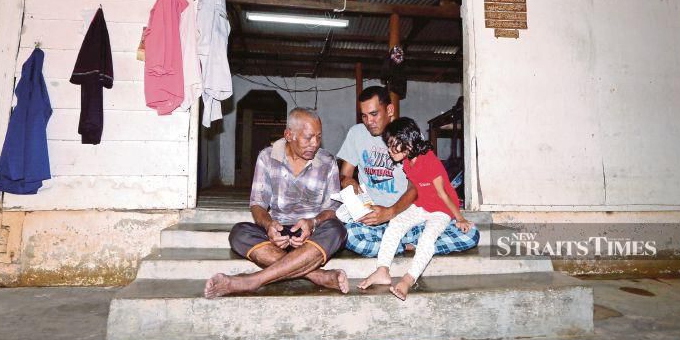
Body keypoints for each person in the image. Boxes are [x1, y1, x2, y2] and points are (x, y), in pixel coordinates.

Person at [204, 108, 349, 298]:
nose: (314, 144)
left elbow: (334, 208)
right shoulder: (267, 157)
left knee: (337, 230)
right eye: (308, 138)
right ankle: (319, 276)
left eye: (318, 137)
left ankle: (251, 281)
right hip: (278, 233)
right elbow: (257, 203)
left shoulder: (327, 162)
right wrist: (269, 225)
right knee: (239, 233)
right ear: (289, 135)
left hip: (312, 235)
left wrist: (313, 222)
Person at [336, 86, 479, 258]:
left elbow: (415, 187)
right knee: (348, 235)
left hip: (409, 216)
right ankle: (407, 245)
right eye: (364, 116)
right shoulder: (356, 134)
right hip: (373, 218)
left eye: (374, 114)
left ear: (389, 110)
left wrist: (391, 211)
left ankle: (395, 245)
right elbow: (345, 175)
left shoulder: (408, 136)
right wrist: (348, 181)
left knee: (470, 234)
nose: (369, 121)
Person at [359, 117, 474, 300]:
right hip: (421, 204)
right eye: (387, 146)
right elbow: (414, 186)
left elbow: (444, 194)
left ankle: (408, 279)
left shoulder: (430, 161)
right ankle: (382, 270)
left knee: (427, 239)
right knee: (395, 223)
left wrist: (459, 218)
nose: (389, 151)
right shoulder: (406, 162)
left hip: (440, 209)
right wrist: (403, 207)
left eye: (392, 145)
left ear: (408, 143)